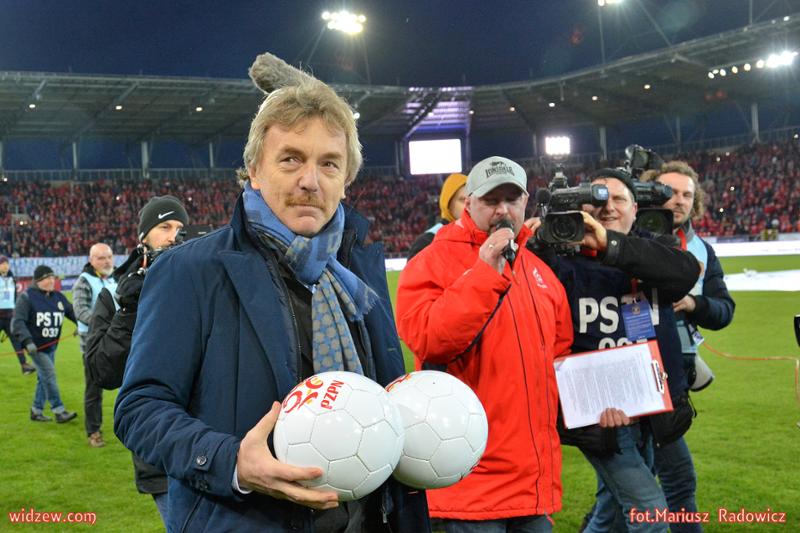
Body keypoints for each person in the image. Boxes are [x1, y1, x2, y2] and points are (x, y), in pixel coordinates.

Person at [113, 80, 430, 532]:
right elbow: (139, 408)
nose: (310, 181)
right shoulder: (190, 270)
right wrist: (232, 463)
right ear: (254, 171)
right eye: (291, 159)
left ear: (345, 181)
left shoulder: (357, 272)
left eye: (329, 164)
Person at [396, 156, 574, 532]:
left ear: (526, 202)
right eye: (491, 200)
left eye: (512, 199)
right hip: (468, 482)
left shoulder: (539, 270)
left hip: (532, 482)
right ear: (469, 203)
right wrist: (484, 273)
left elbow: (560, 356)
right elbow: (428, 340)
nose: (503, 210)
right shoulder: (431, 262)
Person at [527, 168, 701, 533]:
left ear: (636, 209)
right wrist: (534, 242)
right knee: (650, 513)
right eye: (597, 200)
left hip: (651, 409)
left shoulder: (656, 248)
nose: (608, 208)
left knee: (612, 516)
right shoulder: (560, 256)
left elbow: (685, 273)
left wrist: (609, 243)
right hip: (599, 415)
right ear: (582, 209)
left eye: (618, 199)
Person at [643, 161, 735, 533]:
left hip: (675, 381)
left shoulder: (702, 249)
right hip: (636, 375)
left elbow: (725, 310)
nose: (678, 200)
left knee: (623, 489)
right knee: (677, 480)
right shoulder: (627, 237)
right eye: (669, 192)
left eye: (686, 194)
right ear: (650, 194)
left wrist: (693, 304)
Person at [85, 195, 188, 525]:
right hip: (159, 446)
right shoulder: (116, 294)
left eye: (180, 229)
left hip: (221, 443)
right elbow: (102, 371)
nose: (174, 236)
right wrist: (130, 311)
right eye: (165, 227)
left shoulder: (205, 279)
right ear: (143, 236)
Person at [12, 265, 78, 423]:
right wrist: (27, 342)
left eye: (52, 277)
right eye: (47, 278)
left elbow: (73, 313)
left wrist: (81, 325)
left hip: (51, 346)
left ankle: (36, 410)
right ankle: (59, 410)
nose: (51, 281)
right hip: (36, 347)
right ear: (38, 281)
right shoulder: (27, 297)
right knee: (49, 374)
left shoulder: (58, 297)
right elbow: (17, 322)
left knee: (43, 378)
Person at [72, 243, 117, 447]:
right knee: (94, 391)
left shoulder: (115, 278)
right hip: (94, 346)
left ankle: (135, 427)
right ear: (91, 261)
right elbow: (80, 310)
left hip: (119, 342)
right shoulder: (84, 281)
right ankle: (94, 432)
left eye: (109, 257)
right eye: (101, 258)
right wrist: (107, 324)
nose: (107, 261)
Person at [407, 172, 467, 259]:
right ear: (448, 204)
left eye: (472, 199)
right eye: (462, 200)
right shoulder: (427, 242)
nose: (469, 204)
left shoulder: (479, 236)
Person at [0, 255, 36, 374]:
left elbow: (14, 297)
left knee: (17, 341)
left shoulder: (12, 279)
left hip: (10, 316)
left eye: (7, 263)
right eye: (2, 264)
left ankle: (24, 365)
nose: (5, 266)